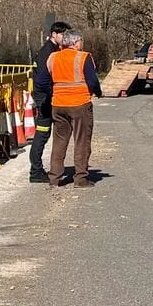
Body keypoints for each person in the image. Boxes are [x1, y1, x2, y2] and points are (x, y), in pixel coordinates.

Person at [41, 28, 102, 188]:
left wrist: (54, 93)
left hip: (58, 105)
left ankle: (54, 178)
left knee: (59, 142)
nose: (82, 44)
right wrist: (98, 92)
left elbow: (43, 80)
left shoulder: (53, 57)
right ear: (75, 43)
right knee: (81, 141)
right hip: (79, 103)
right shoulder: (83, 57)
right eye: (81, 41)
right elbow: (93, 81)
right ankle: (80, 178)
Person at [26, 22, 65, 183]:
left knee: (44, 134)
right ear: (54, 34)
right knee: (42, 134)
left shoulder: (54, 50)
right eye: (62, 34)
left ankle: (37, 169)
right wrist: (51, 95)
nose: (64, 37)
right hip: (44, 99)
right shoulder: (47, 51)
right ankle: (35, 171)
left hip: (45, 96)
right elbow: (42, 80)